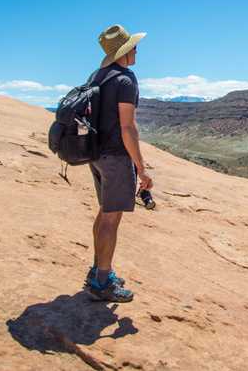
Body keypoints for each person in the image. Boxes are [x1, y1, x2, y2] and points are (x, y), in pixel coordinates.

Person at [85, 24, 153, 302]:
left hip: (96, 154)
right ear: (123, 53)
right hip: (115, 156)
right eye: (132, 47)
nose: (136, 50)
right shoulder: (125, 79)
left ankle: (98, 270)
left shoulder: (97, 76)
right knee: (112, 219)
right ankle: (102, 281)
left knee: (104, 213)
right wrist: (141, 167)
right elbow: (128, 127)